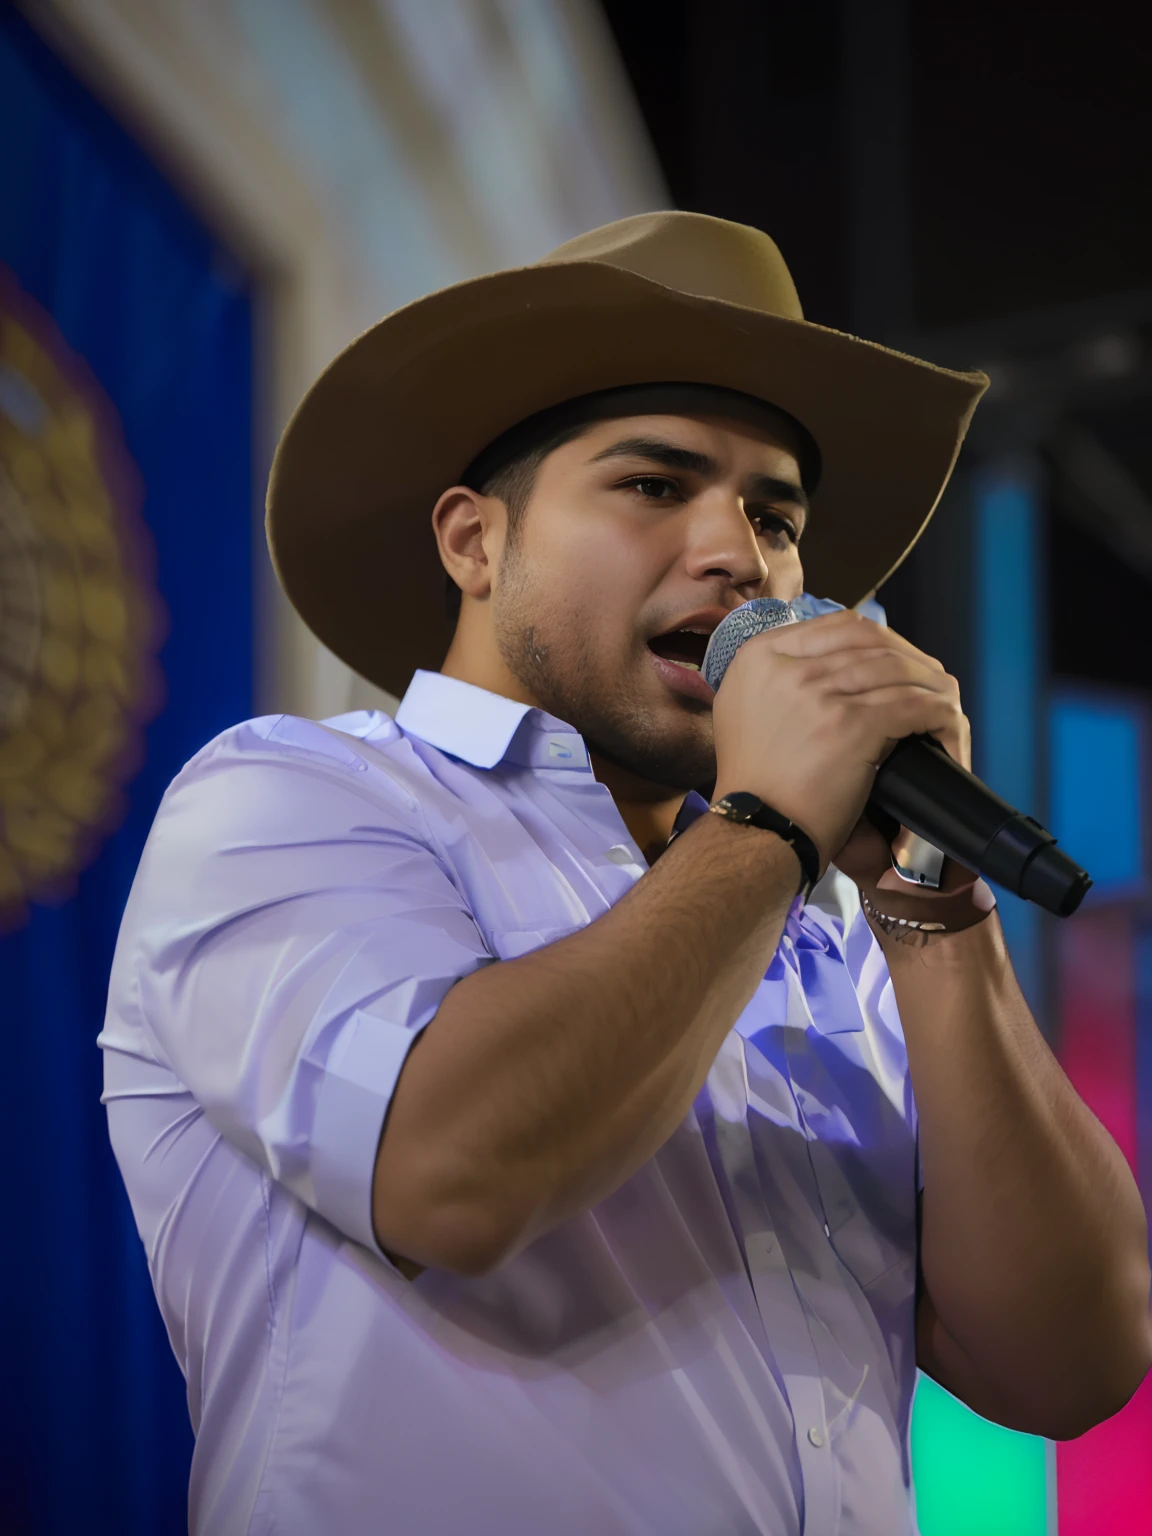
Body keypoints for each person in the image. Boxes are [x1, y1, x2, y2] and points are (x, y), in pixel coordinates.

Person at [101, 212, 1151, 1535]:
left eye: (776, 514)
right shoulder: (291, 798)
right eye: (656, 486)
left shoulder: (827, 938)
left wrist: (935, 908)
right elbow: (453, 1171)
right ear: (475, 545)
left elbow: (1071, 1364)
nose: (741, 555)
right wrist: (769, 819)